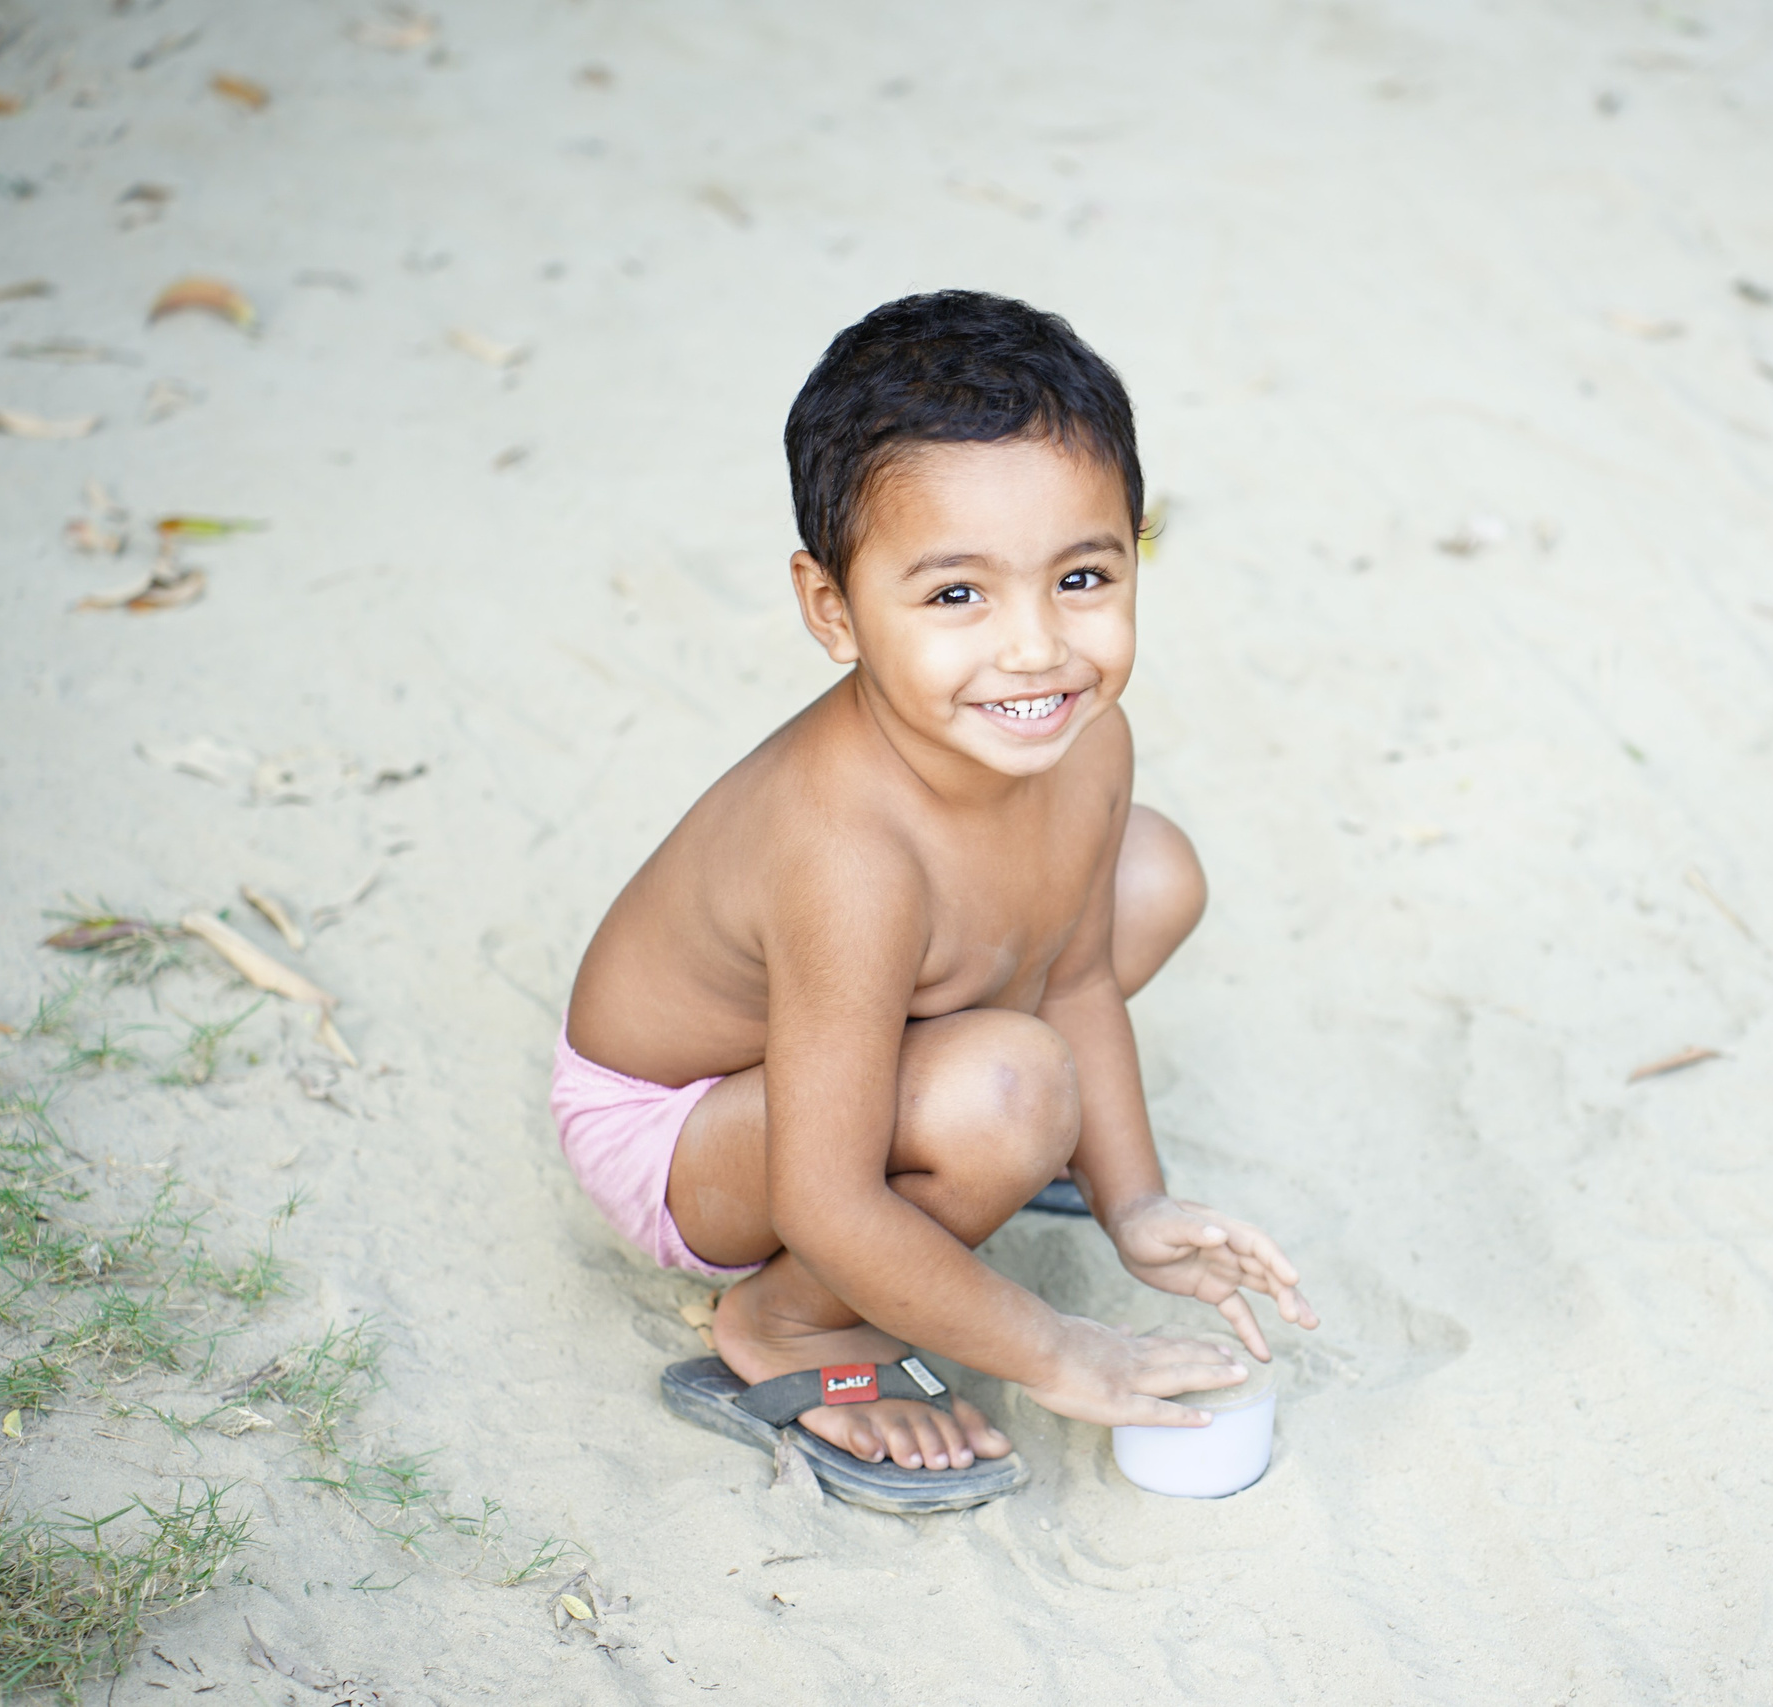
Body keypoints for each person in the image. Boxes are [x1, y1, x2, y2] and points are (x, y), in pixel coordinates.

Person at [553, 290, 1317, 1510]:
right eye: (957, 595)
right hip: (681, 1125)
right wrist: (1064, 1348)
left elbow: (1072, 977)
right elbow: (823, 1193)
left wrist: (1137, 1201)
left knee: (1151, 875)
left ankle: (969, 1132)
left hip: (852, 1034)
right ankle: (788, 1322)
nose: (1035, 650)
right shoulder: (845, 852)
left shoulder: (1087, 736)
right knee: (1007, 1091)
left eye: (1080, 576)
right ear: (832, 609)